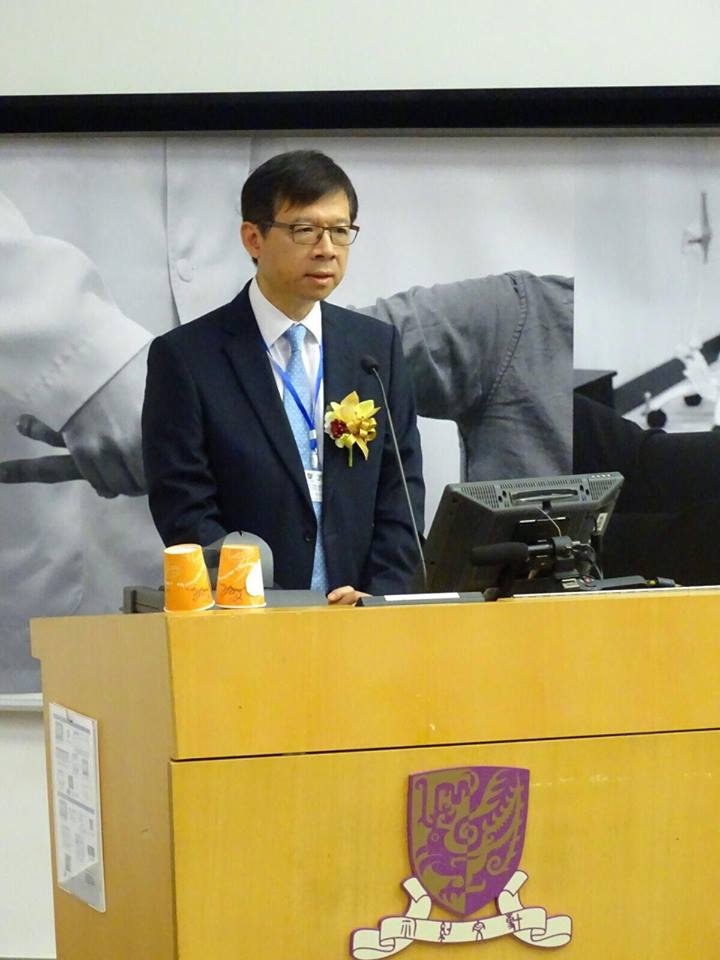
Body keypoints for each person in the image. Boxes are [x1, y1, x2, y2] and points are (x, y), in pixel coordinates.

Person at [141, 150, 425, 604]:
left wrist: (377, 597)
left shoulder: (375, 349)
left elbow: (401, 493)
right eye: (305, 230)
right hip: (245, 619)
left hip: (361, 615)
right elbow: (184, 507)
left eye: (340, 231)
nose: (327, 248)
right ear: (253, 238)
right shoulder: (187, 358)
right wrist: (263, 601)